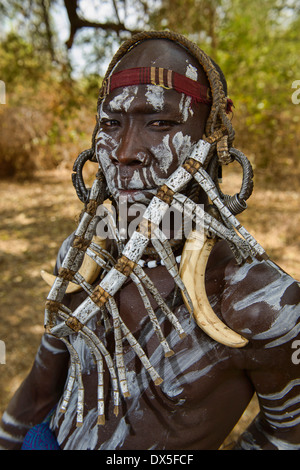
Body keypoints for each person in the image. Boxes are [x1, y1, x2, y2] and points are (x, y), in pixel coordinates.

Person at [1, 30, 300, 451]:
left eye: (159, 122)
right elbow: (38, 392)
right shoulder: (81, 256)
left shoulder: (262, 303)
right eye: (110, 123)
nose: (124, 150)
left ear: (213, 137)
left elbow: (287, 432)